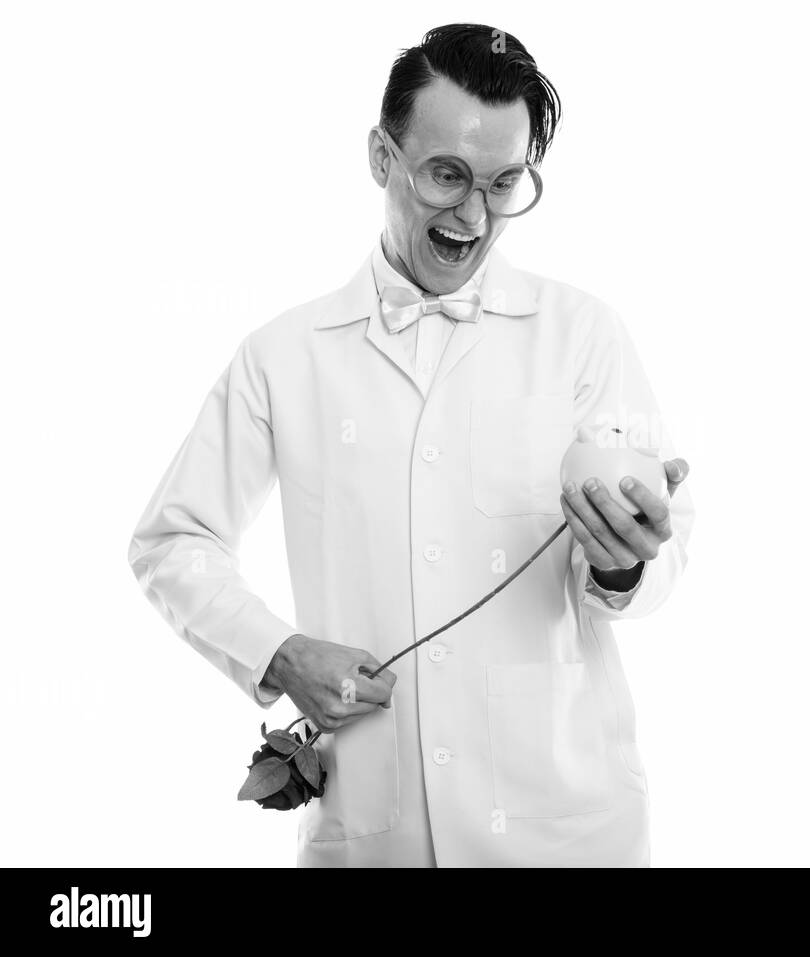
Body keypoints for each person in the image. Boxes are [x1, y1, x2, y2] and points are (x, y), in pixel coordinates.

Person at [127, 23, 693, 867]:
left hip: (567, 834)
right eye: (447, 175)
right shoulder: (284, 356)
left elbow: (652, 562)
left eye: (504, 184)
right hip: (374, 838)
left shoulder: (582, 335)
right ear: (381, 157)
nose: (473, 215)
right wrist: (280, 652)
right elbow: (172, 540)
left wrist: (623, 560)